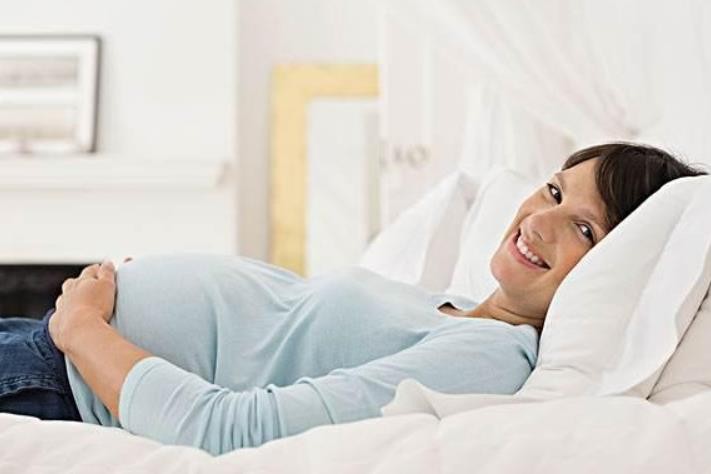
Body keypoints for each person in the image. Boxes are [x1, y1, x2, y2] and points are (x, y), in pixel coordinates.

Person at [0, 143, 706, 455]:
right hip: (42, 349)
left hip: (57, 381)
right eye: (552, 191)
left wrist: (85, 326)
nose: (540, 221)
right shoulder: (458, 306)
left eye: (584, 229)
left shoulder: (487, 359)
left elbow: (231, 434)